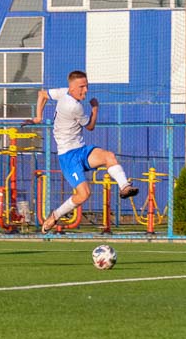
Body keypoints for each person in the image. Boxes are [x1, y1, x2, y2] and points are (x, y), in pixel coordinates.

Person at [22, 70, 138, 233]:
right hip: (68, 157)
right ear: (73, 87)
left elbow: (42, 94)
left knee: (109, 156)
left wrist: (38, 117)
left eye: (87, 86)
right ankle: (55, 216)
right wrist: (95, 109)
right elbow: (90, 126)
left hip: (81, 150)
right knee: (84, 194)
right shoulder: (73, 106)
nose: (86, 90)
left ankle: (124, 186)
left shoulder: (63, 92)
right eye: (82, 87)